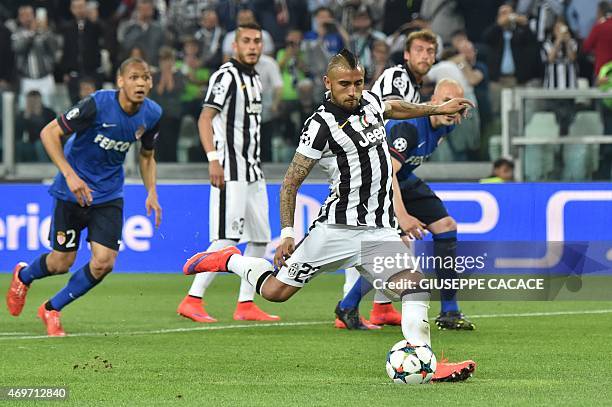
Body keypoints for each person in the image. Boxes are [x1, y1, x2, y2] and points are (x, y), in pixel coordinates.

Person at [182, 48, 476, 382]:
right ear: (328, 83)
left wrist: (435, 107)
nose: (353, 91)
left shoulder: (370, 103)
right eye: (345, 84)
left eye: (359, 83)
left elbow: (393, 106)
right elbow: (290, 183)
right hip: (334, 231)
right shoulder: (319, 126)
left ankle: (427, 363)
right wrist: (289, 234)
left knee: (415, 288)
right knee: (276, 292)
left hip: (378, 231)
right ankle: (229, 260)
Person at [6, 57, 163, 336]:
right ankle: (24, 275)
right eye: (134, 77)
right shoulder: (97, 104)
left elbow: (147, 155)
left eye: (146, 77)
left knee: (104, 262)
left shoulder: (152, 113)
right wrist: (69, 174)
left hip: (108, 195)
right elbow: (49, 133)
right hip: (72, 192)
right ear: (120, 81)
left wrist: (152, 191)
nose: (141, 83)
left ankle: (52, 308)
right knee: (60, 263)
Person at [337, 79, 476, 331]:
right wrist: (402, 217)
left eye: (454, 104)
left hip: (404, 179)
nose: (450, 108)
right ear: (433, 101)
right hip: (378, 181)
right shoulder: (408, 129)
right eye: (445, 101)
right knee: (397, 247)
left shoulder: (448, 122)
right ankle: (348, 305)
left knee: (446, 226)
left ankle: (449, 311)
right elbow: (388, 173)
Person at [177, 22, 280, 323]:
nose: (252, 46)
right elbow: (205, 118)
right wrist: (213, 159)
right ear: (235, 46)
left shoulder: (256, 78)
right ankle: (192, 298)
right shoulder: (225, 75)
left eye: (257, 41)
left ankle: (245, 304)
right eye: (246, 41)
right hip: (230, 168)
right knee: (226, 237)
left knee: (260, 237)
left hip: (253, 169)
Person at [339, 29, 436, 329]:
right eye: (419, 49)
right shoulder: (397, 78)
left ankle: (377, 307)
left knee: (386, 242)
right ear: (406, 54)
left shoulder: (415, 88)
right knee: (373, 240)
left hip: (376, 167)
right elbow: (393, 114)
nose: (425, 56)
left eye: (430, 51)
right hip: (363, 166)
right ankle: (348, 304)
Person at [15, 90, 56, 162]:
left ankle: (44, 167)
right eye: (30, 101)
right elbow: (18, 132)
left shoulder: (49, 112)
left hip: (45, 142)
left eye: (35, 101)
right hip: (29, 142)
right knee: (19, 145)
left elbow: (49, 130)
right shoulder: (23, 114)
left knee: (38, 144)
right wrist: (25, 118)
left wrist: (38, 116)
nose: (33, 103)